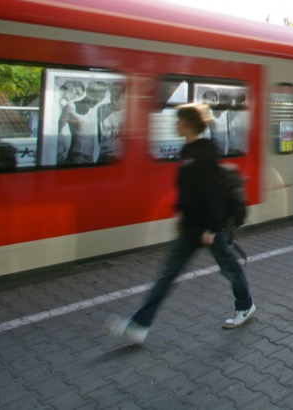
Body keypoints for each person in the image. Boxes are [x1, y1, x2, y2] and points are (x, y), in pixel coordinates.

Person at [107, 103, 254, 345]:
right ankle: (140, 325)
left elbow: (213, 194)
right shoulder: (187, 151)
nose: (175, 125)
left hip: (207, 228)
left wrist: (212, 229)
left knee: (229, 267)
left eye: (178, 121)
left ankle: (245, 305)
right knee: (168, 275)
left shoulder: (204, 152)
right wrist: (180, 215)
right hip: (191, 227)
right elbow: (188, 192)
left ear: (187, 124)